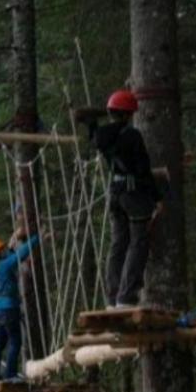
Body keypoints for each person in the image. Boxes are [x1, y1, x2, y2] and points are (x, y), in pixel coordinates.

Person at [74, 89, 162, 308]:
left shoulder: (101, 136)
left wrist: (91, 123)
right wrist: (157, 198)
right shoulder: (132, 136)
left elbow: (94, 136)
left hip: (114, 192)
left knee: (118, 244)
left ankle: (113, 298)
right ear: (129, 114)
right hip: (133, 195)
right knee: (138, 243)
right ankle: (127, 295)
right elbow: (143, 170)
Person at [0, 231, 40, 382]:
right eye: (1, 250)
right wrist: (38, 237)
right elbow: (20, 254)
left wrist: (11, 246)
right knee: (15, 341)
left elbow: (10, 257)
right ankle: (10, 375)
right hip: (9, 309)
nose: (3, 251)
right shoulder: (4, 265)